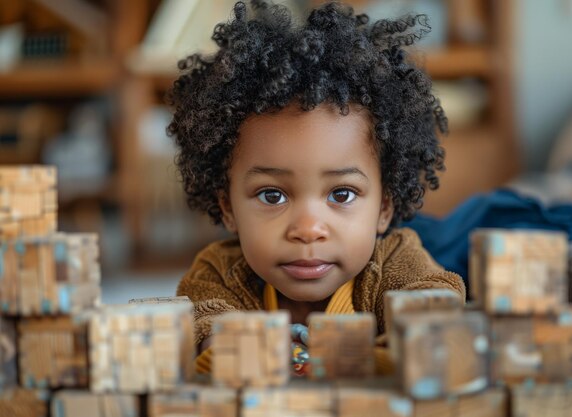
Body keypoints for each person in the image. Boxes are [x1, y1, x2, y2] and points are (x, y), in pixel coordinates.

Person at [167, 0, 465, 375]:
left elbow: (434, 305)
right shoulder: (218, 271)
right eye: (271, 195)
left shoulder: (395, 262)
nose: (308, 229)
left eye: (341, 194)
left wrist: (370, 358)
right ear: (227, 207)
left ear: (384, 206)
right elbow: (202, 320)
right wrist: (235, 349)